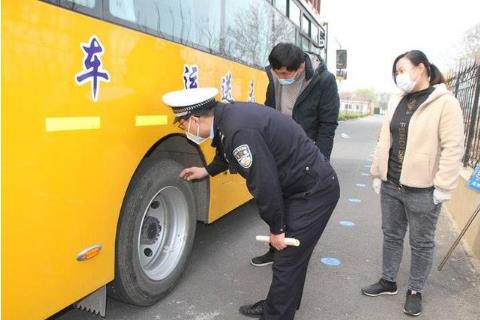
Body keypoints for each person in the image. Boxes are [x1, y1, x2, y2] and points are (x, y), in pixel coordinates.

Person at [162, 87, 340, 320]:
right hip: (300, 183)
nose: (185, 130)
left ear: (194, 118)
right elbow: (225, 150)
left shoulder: (239, 130)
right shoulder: (227, 117)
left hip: (313, 191)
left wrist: (277, 230)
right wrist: (206, 170)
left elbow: (265, 185)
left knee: (286, 259)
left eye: (182, 124)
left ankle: (275, 314)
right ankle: (278, 305)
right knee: (293, 259)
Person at [361, 50, 464, 317]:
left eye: (402, 70)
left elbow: (453, 147)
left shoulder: (445, 102)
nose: (399, 76)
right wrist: (377, 173)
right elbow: (384, 140)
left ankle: (415, 290)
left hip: (424, 189)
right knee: (392, 235)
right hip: (391, 184)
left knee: (421, 243)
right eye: (396, 72)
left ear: (421, 68)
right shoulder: (397, 100)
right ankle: (388, 280)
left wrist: (443, 186)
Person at [252, 42, 340, 267]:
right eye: (277, 72)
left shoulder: (323, 80)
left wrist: (321, 160)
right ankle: (274, 248)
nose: (282, 77)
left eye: (286, 73)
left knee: (298, 204)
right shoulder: (274, 78)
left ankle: (290, 254)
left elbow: (327, 124)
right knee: (276, 199)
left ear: (301, 66)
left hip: (305, 153)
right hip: (277, 149)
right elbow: (267, 112)